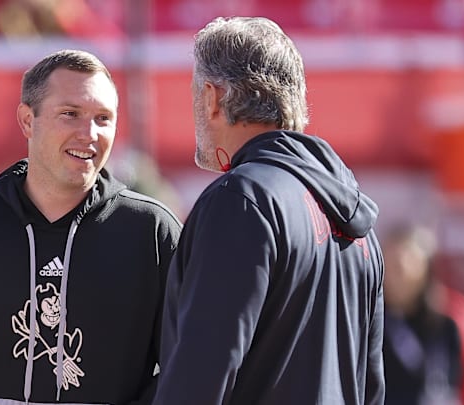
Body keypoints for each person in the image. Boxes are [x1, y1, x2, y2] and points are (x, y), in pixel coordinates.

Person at [0, 49, 182, 405]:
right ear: (28, 120)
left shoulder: (152, 231)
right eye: (70, 114)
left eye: (103, 118)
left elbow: (186, 362)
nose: (88, 134)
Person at [152, 16, 385, 405]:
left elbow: (201, 373)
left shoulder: (241, 200)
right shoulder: (359, 225)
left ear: (212, 96)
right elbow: (371, 389)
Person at [381, 223, 464, 405]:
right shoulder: (368, 325)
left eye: (404, 265)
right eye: (390, 264)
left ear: (425, 269)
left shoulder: (447, 324)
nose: (396, 274)